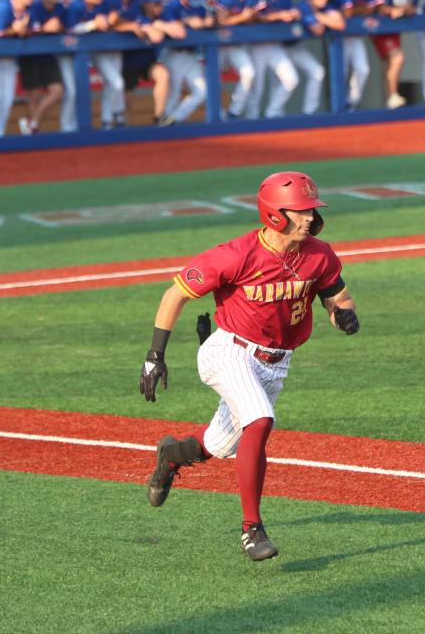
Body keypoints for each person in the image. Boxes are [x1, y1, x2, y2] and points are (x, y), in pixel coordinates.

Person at [140, 171, 360, 562]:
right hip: (229, 351)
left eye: (312, 209)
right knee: (259, 421)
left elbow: (337, 296)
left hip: (275, 363)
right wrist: (155, 355)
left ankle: (171, 456)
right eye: (301, 210)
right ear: (275, 214)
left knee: (221, 445)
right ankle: (251, 529)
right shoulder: (236, 254)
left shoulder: (319, 254)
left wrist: (343, 314)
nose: (310, 217)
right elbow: (175, 294)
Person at [113, 0, 175, 125]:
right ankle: (119, 122)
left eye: (160, 4)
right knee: (127, 96)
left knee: (163, 75)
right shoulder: (134, 8)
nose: (159, 7)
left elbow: (174, 32)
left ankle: (159, 117)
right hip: (128, 61)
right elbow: (117, 23)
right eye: (155, 4)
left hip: (147, 60)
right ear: (147, 4)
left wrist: (158, 26)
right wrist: (135, 26)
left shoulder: (161, 14)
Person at [67, 0, 126, 130]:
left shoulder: (107, 1)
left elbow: (116, 19)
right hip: (91, 51)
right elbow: (70, 30)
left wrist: (112, 20)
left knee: (112, 84)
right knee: (117, 83)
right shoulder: (76, 6)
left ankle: (107, 121)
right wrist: (92, 24)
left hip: (110, 46)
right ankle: (106, 119)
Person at [245, 0, 299, 119]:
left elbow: (294, 12)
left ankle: (272, 113)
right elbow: (256, 17)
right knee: (257, 88)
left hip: (275, 45)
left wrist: (294, 14)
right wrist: (279, 15)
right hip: (257, 46)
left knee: (291, 79)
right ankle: (251, 119)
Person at [160, 0, 211, 125]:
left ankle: (173, 120)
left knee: (202, 92)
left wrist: (206, 22)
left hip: (192, 54)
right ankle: (163, 129)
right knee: (173, 95)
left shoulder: (200, 5)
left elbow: (209, 21)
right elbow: (169, 26)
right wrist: (187, 21)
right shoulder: (172, 6)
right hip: (174, 54)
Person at [0, 0, 34, 137]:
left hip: (9, 57)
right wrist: (14, 30)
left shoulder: (29, 9)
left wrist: (23, 31)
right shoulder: (3, 7)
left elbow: (32, 30)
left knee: (8, 98)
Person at [21, 0, 66, 134]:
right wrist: (44, 29)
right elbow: (23, 32)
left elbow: (67, 27)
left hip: (48, 54)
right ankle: (34, 129)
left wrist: (59, 28)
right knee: (33, 94)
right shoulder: (33, 7)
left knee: (57, 91)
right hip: (29, 54)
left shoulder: (60, 7)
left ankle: (33, 121)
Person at [290, 0, 343, 114]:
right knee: (285, 80)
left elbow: (340, 24)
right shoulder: (303, 6)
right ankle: (270, 114)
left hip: (295, 47)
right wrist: (325, 19)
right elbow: (318, 30)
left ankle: (309, 112)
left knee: (317, 72)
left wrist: (318, 15)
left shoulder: (323, 7)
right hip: (277, 47)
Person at [215, 0, 258, 119]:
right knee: (213, 80)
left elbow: (251, 21)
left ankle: (234, 112)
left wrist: (250, 17)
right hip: (215, 45)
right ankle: (219, 116)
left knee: (249, 73)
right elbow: (221, 20)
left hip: (234, 44)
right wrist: (242, 17)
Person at [338, 0, 384, 110]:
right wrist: (364, 9)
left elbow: (378, 7)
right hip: (338, 37)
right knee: (340, 72)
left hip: (355, 35)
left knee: (363, 69)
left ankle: (351, 104)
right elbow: (347, 14)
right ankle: (338, 107)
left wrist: (360, 10)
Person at [373, 0, 416, 109]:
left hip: (394, 30)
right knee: (397, 58)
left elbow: (413, 8)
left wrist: (404, 10)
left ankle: (390, 98)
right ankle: (392, 96)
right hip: (380, 28)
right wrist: (393, 10)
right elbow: (379, 7)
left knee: (390, 63)